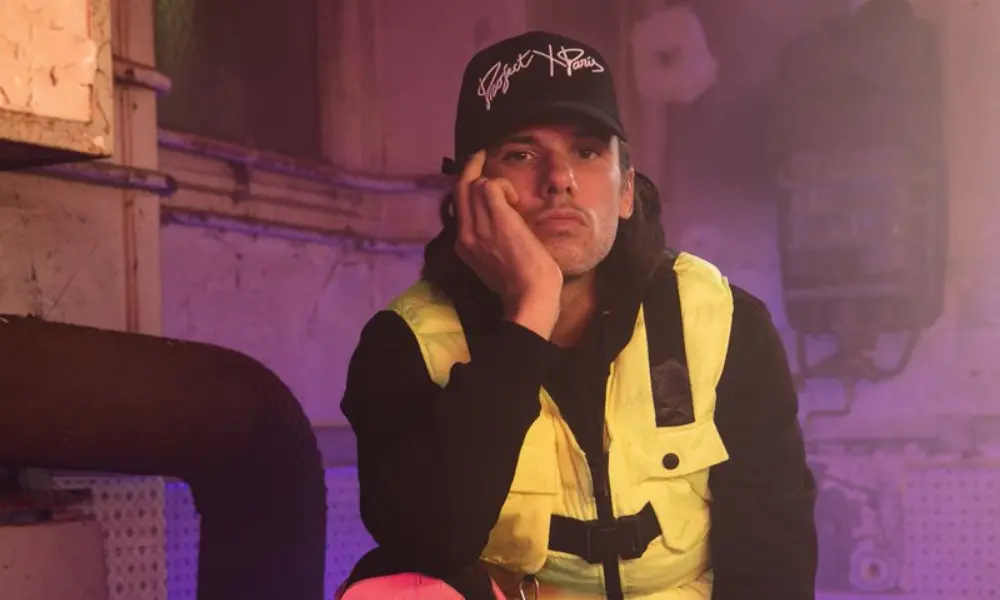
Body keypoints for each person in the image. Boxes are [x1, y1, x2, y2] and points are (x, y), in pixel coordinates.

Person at [338, 30, 818, 600]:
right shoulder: (407, 342)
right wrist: (530, 310)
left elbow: (775, 564)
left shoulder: (722, 321)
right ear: (469, 191)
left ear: (625, 190)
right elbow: (425, 545)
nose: (558, 179)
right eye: (521, 154)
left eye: (587, 152)